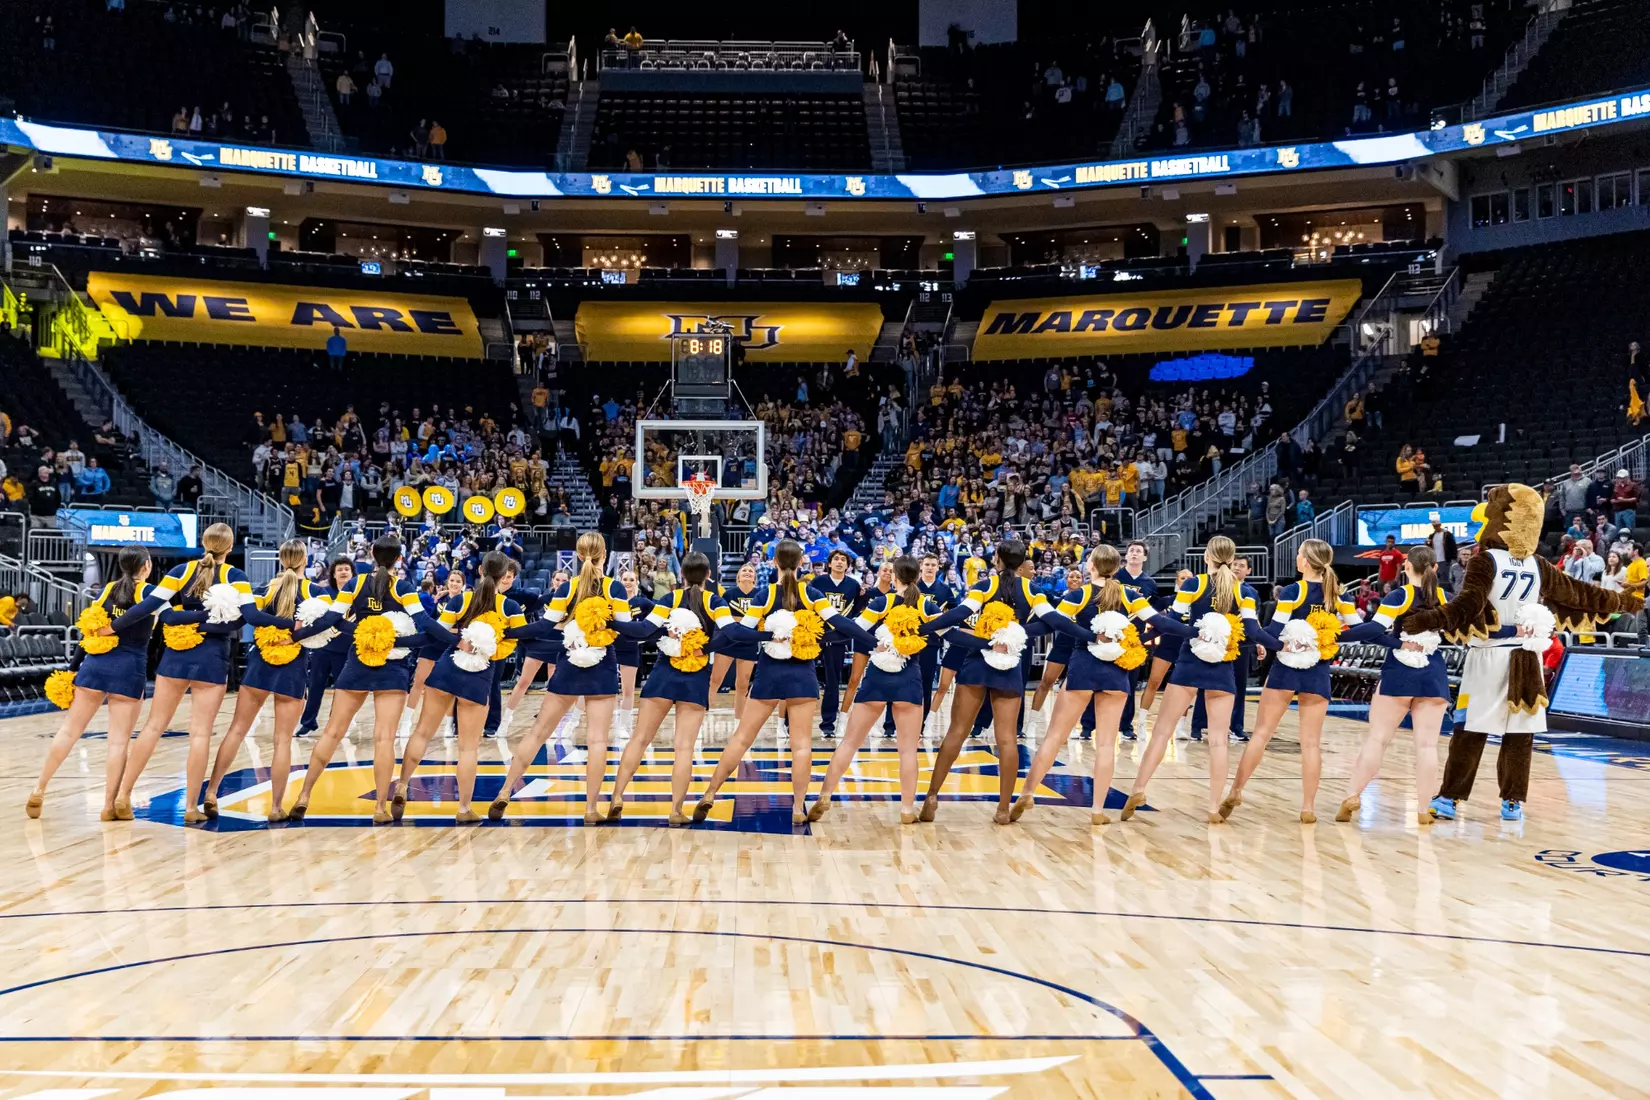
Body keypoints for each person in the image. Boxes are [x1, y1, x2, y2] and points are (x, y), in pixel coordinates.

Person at [688, 539, 878, 824]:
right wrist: (870, 642)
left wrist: (709, 647)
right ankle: (798, 808)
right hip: (802, 675)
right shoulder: (812, 593)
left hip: (769, 674)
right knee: (801, 745)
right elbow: (843, 625)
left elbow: (738, 633)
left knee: (741, 738)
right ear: (801, 562)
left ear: (774, 562)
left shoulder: (765, 594)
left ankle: (710, 793)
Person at [908, 540, 1091, 824]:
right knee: (1006, 740)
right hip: (1009, 665)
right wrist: (1019, 632)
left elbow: (960, 614)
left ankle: (932, 796)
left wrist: (924, 626)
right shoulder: (1032, 589)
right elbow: (1053, 622)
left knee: (956, 732)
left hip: (977, 661)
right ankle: (1003, 809)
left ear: (997, 560)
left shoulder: (985, 586)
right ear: (1022, 563)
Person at [1013, 545, 1192, 826]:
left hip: (1083, 669)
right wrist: (1194, 632)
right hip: (1116, 673)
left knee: (1054, 736)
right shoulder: (1130, 596)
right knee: (1107, 744)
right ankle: (1097, 810)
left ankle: (1027, 792)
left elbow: (1053, 624)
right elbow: (1162, 623)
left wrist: (1016, 630)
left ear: (1091, 566)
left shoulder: (1079, 594)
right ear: (1117, 568)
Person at [106, 524, 271, 822]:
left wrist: (112, 627)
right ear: (230, 547)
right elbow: (248, 618)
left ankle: (123, 795)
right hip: (212, 658)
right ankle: (191, 808)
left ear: (203, 543)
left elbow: (149, 608)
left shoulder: (180, 571)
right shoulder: (235, 576)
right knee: (200, 733)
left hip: (177, 655)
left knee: (153, 726)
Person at [489, 533, 656, 823]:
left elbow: (543, 626)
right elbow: (629, 630)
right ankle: (590, 809)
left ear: (579, 557)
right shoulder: (614, 587)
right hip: (602, 663)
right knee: (597, 740)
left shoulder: (568, 587)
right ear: (605, 555)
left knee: (538, 732)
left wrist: (508, 632)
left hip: (568, 660)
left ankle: (505, 791)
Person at [285, 535, 443, 821]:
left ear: (371, 554)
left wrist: (296, 636)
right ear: (399, 559)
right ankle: (380, 808)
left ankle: (304, 795)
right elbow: (426, 626)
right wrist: (451, 640)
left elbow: (330, 620)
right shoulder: (404, 587)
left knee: (332, 732)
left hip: (357, 663)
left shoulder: (355, 584)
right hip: (392, 668)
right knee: (384, 739)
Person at [1120, 536, 1268, 823]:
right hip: (1223, 665)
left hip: (1190, 662)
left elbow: (1171, 622)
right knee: (1218, 741)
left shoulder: (1193, 584)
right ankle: (1212, 807)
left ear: (1206, 557)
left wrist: (1141, 638)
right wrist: (1266, 643)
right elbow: (1252, 630)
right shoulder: (1245, 591)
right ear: (1232, 559)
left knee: (1162, 732)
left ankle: (1138, 789)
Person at [1220, 540, 1362, 823]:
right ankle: (1308, 808)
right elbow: (1360, 629)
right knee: (1311, 743)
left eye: (1298, 554)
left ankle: (1236, 791)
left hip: (1286, 668)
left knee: (1261, 733)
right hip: (1317, 669)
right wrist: (1326, 637)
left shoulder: (1292, 591)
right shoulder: (1337, 592)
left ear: (1305, 561)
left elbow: (1274, 630)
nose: (1296, 558)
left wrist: (1258, 639)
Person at [808, 556, 952, 824]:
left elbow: (853, 629)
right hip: (909, 678)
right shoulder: (926, 605)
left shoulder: (882, 602)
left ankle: (825, 794)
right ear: (917, 577)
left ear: (894, 577)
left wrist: (818, 636)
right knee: (908, 750)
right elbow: (952, 635)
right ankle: (906, 810)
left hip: (876, 677)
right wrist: (988, 642)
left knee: (849, 742)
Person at [200, 540, 332, 820]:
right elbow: (327, 623)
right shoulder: (314, 592)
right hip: (293, 670)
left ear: (281, 560)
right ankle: (275, 807)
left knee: (236, 730)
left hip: (260, 665)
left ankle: (211, 792)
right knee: (282, 741)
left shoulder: (264, 589)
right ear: (305, 560)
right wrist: (295, 636)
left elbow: (249, 618)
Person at [26, 547, 156, 819]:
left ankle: (39, 788)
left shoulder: (107, 590)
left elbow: (88, 631)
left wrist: (72, 670)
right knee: (117, 743)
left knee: (68, 732)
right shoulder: (150, 593)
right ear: (146, 565)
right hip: (128, 670)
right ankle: (108, 806)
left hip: (95, 667)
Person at [607, 552, 735, 823]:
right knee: (684, 748)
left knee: (639, 739)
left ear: (682, 576)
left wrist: (610, 623)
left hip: (663, 673)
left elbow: (643, 629)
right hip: (696, 677)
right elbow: (731, 634)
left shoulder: (670, 598)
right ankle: (676, 811)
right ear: (709, 575)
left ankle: (617, 796)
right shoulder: (716, 601)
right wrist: (705, 648)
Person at [395, 552, 521, 823]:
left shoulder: (460, 600)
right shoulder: (509, 607)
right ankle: (464, 809)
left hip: (446, 668)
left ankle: (402, 785)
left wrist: (397, 642)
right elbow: (523, 637)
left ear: (480, 571)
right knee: (468, 748)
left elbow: (435, 633)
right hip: (478, 678)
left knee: (422, 732)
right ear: (504, 576)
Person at [1335, 546, 1451, 826]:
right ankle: (1422, 809)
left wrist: (1335, 635)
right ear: (1435, 568)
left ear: (1406, 567)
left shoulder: (1400, 595)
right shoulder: (1445, 596)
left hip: (1400, 671)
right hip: (1434, 672)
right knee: (1427, 746)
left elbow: (1373, 630)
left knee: (1378, 738)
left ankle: (1353, 795)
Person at [500, 567, 568, 733]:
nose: (560, 583)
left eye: (564, 580)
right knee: (524, 681)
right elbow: (523, 612)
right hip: (540, 641)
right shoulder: (544, 599)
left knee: (554, 684)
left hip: (560, 642)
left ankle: (549, 721)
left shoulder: (573, 600)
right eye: (557, 580)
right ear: (552, 581)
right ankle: (506, 720)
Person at [296, 557, 358, 736]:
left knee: (342, 690)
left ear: (352, 573)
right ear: (333, 574)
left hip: (346, 650)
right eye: (340, 569)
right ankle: (308, 723)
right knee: (315, 686)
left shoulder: (358, 594)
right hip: (322, 647)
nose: (343, 572)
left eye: (347, 569)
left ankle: (338, 724)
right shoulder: (325, 593)